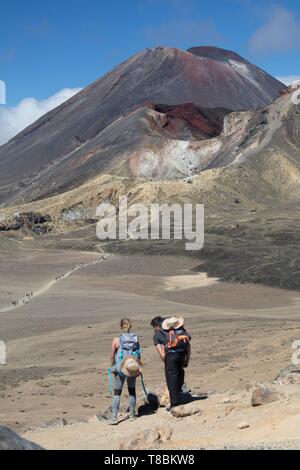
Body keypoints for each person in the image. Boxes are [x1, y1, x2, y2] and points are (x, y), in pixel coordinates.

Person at [151, 315, 191, 409]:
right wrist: (187, 359)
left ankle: (174, 404)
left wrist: (166, 361)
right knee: (180, 374)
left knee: (171, 379)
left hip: (170, 356)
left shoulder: (158, 333)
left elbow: (161, 351)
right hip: (182, 355)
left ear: (157, 325)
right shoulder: (182, 331)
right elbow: (188, 345)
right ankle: (179, 395)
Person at [109, 318, 142, 425]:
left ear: (121, 326)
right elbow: (139, 354)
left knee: (117, 393)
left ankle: (114, 417)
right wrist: (138, 368)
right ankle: (132, 415)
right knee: (132, 391)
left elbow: (112, 355)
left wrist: (112, 367)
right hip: (132, 366)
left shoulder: (116, 340)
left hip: (120, 367)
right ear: (130, 326)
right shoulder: (135, 339)